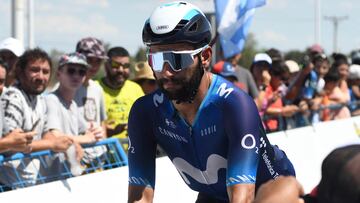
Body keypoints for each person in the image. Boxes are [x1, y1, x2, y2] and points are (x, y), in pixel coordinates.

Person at [127, 2, 295, 203]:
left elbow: (243, 197)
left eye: (177, 60)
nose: (166, 71)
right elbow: (139, 196)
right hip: (214, 194)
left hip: (269, 191)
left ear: (205, 56)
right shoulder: (145, 112)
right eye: (156, 59)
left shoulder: (235, 105)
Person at [0, 48, 74, 187]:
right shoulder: (13, 97)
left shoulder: (41, 100)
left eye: (45, 72)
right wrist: (53, 145)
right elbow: (15, 143)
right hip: (9, 185)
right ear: (20, 72)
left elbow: (47, 135)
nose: (40, 77)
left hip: (30, 184)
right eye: (34, 70)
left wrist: (65, 142)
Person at [43, 52, 104, 180]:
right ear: (59, 74)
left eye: (81, 72)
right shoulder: (51, 100)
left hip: (67, 175)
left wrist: (95, 132)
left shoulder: (73, 104)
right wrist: (87, 138)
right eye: (71, 71)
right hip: (52, 178)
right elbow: (56, 136)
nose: (76, 76)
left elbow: (87, 131)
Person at [97, 46, 144, 140]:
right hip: (105, 150)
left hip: (134, 149)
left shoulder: (135, 88)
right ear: (106, 66)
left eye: (126, 66)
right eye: (115, 65)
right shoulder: (95, 88)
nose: (121, 70)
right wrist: (108, 131)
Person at [75, 37, 108, 164]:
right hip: (76, 158)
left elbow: (102, 123)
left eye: (98, 61)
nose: (93, 66)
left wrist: (103, 145)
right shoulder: (66, 88)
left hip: (99, 158)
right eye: (89, 60)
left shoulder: (97, 88)